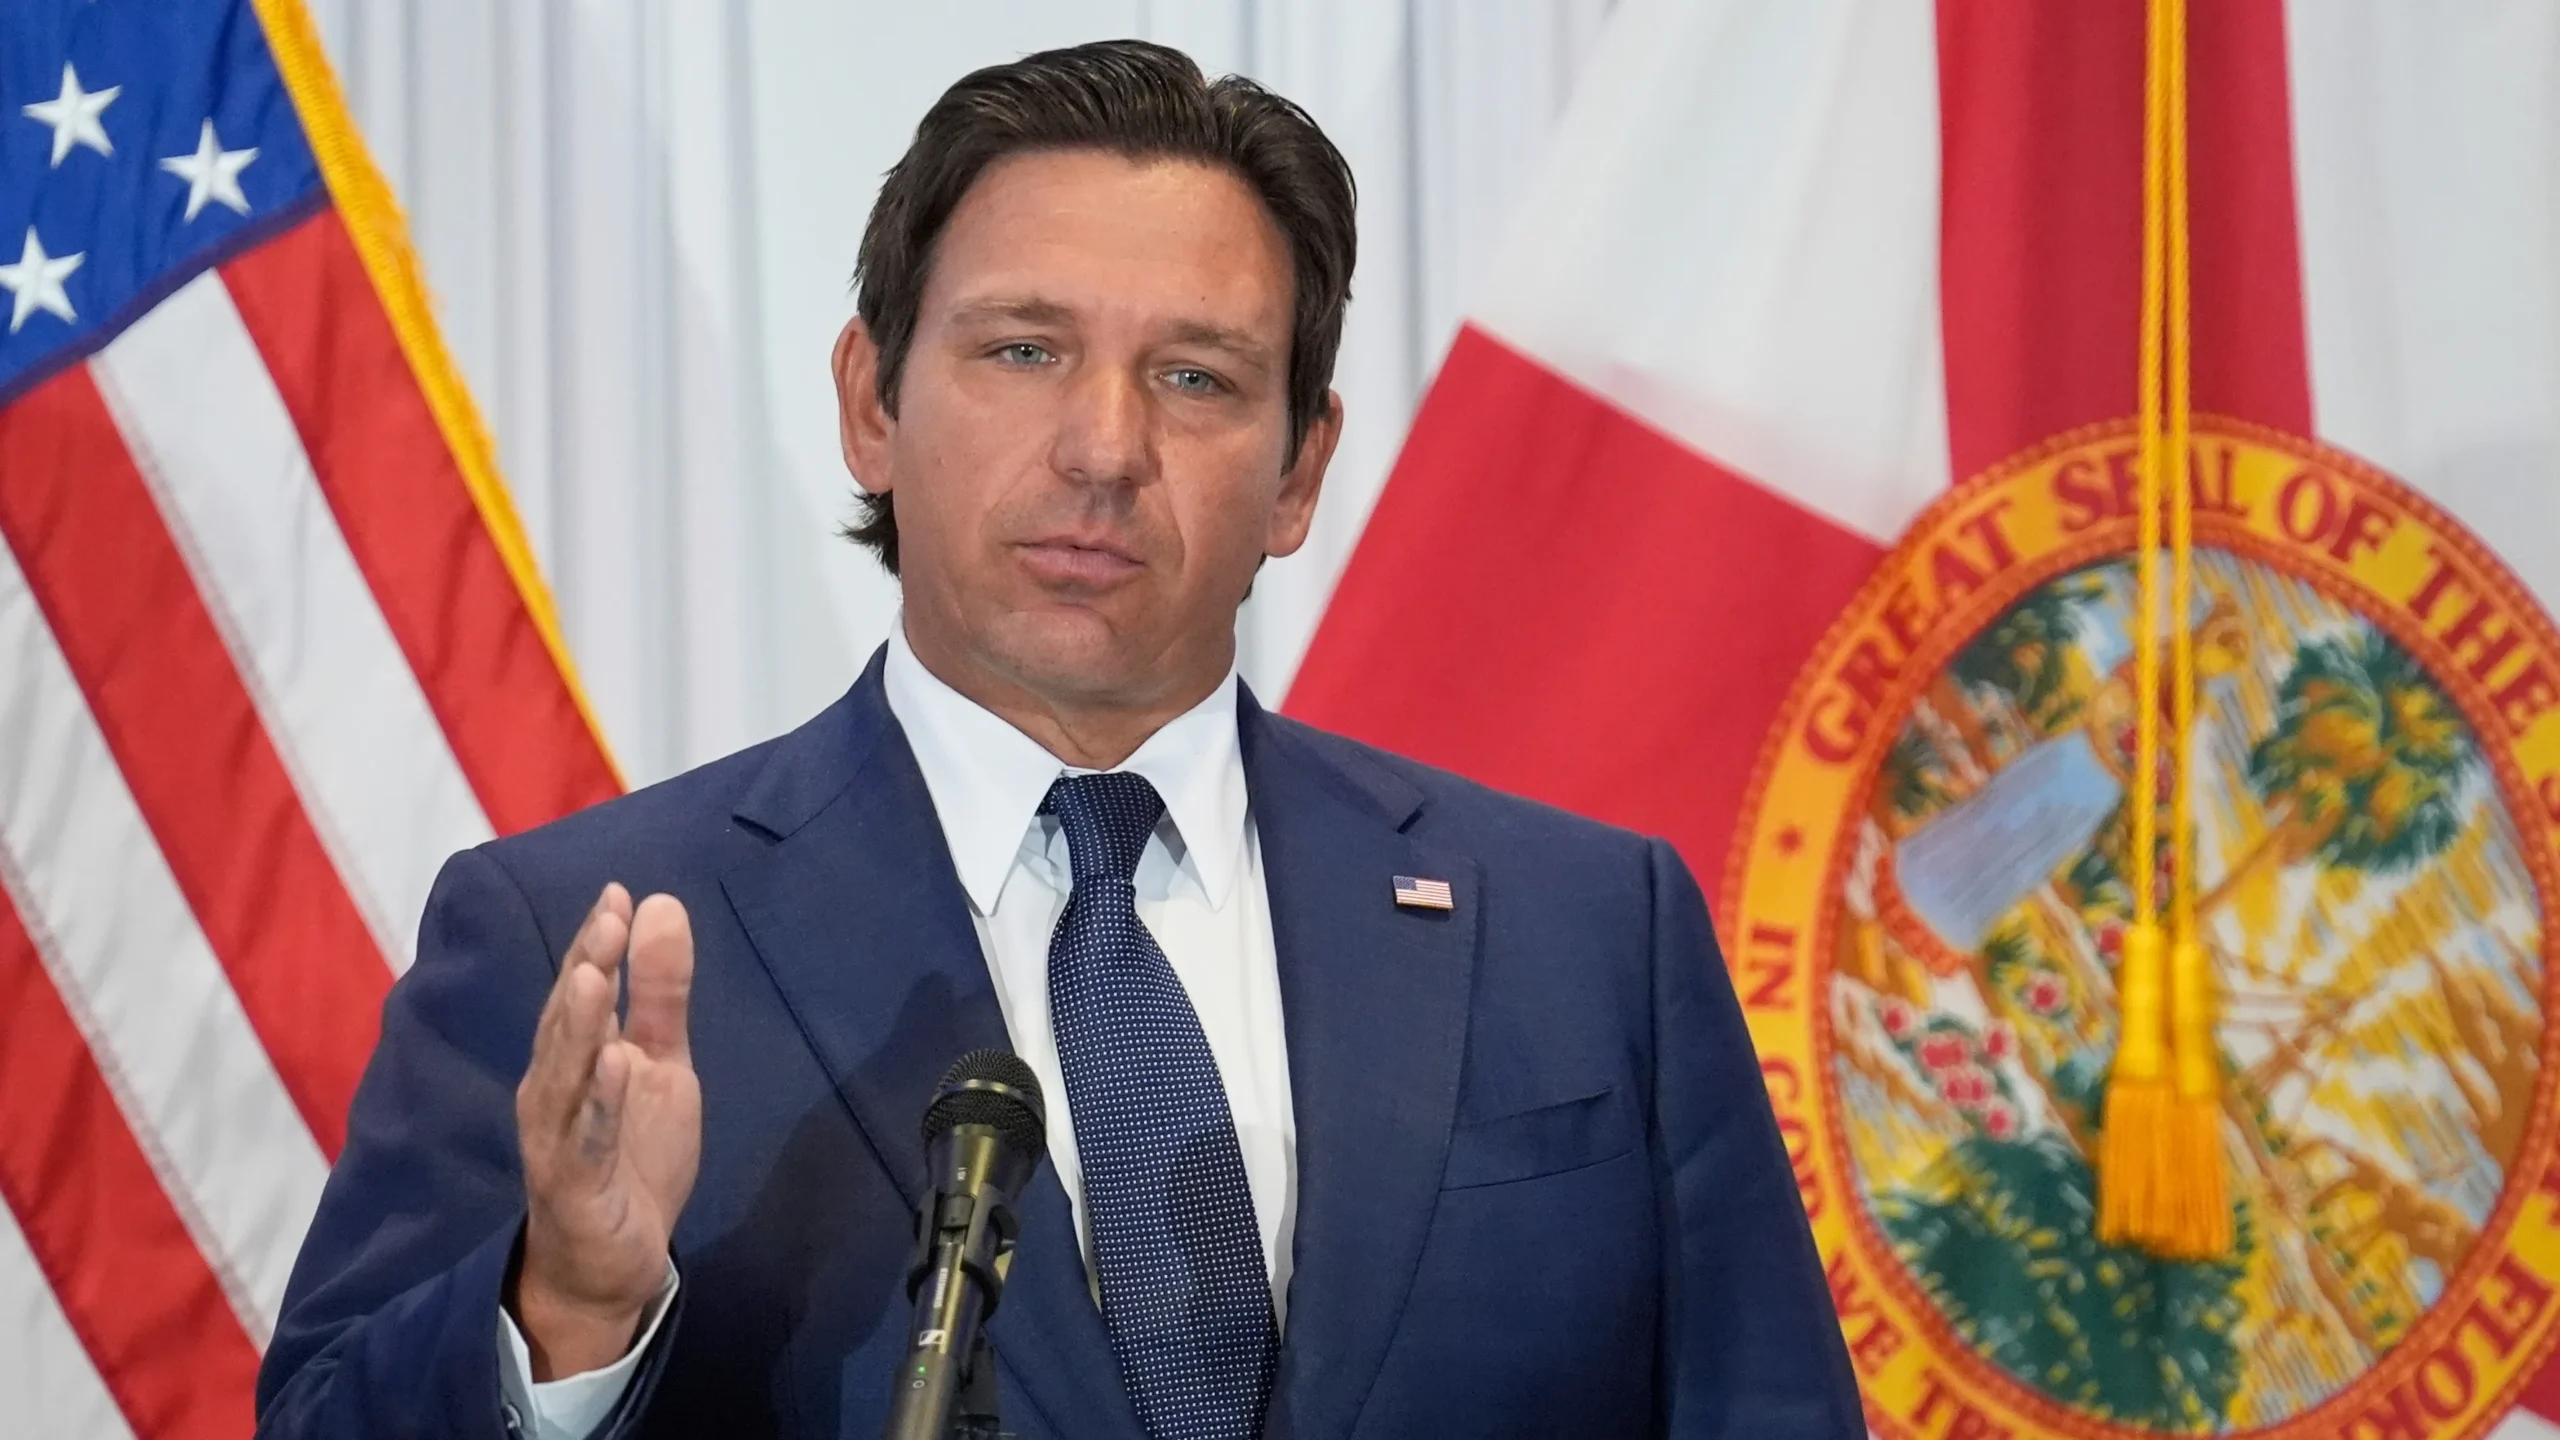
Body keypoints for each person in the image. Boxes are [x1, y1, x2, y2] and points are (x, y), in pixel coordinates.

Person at [254, 38, 1860, 1440]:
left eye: (1197, 377)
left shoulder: (1588, 935)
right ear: (872, 404)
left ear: (1299, 471)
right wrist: (569, 1312)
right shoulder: (576, 944)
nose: (1104, 447)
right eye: (1022, 351)